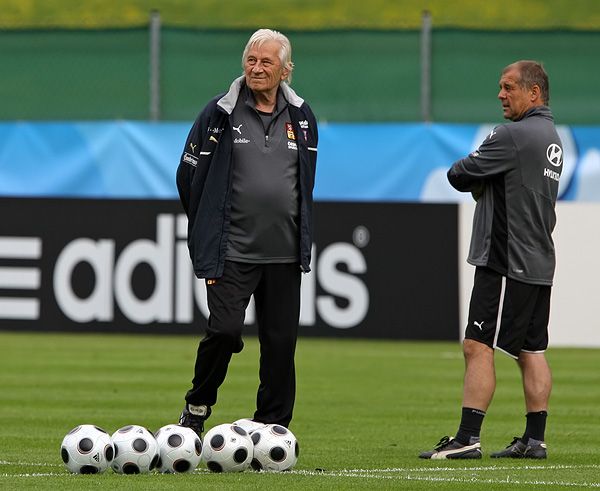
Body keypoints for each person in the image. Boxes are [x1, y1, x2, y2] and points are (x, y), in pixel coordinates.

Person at [175, 28, 318, 437]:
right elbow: (188, 178)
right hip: (230, 251)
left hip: (284, 253)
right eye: (251, 60)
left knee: (280, 347)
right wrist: (207, 231)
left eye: (266, 62)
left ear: (285, 70)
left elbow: (304, 183)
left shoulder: (303, 117)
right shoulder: (217, 112)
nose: (256, 68)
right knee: (223, 332)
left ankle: (272, 427)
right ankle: (198, 405)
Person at [420, 60, 563, 459]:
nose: (501, 95)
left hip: (504, 260)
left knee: (477, 344)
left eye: (509, 87)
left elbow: (457, 173)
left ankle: (468, 438)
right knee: (532, 350)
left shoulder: (511, 136)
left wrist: (482, 179)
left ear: (533, 93)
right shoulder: (552, 138)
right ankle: (535, 440)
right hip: (539, 261)